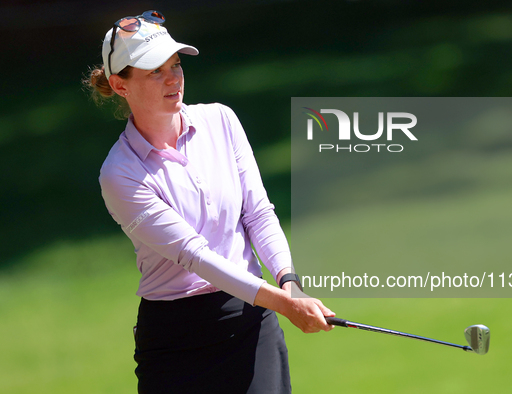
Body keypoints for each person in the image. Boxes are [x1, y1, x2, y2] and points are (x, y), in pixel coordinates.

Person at [84, 10, 335, 394]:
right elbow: (194, 255)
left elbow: (258, 213)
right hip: (176, 340)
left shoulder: (221, 120)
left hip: (252, 322)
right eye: (155, 71)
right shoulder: (120, 173)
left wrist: (290, 284)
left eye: (177, 65)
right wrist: (284, 303)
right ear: (120, 85)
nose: (173, 78)